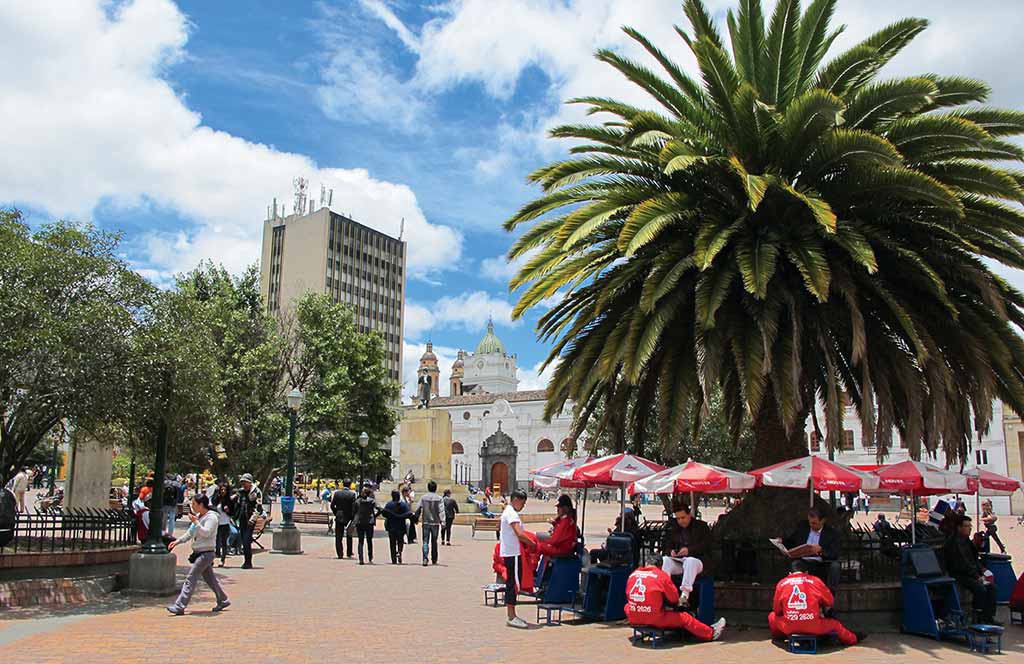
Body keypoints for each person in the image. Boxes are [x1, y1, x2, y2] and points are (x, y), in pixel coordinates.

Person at [625, 560, 726, 641]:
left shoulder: (633, 574)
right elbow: (674, 599)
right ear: (660, 566)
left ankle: (646, 626)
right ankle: (711, 633)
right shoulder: (661, 576)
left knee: (627, 606)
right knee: (685, 618)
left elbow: (628, 595)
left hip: (633, 616)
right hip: (654, 618)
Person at [166, 494, 230, 615]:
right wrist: (177, 541)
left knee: (191, 577)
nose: (193, 507)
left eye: (194, 504)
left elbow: (206, 533)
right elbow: (190, 533)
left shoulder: (211, 518)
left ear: (201, 505)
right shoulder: (199, 517)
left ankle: (180, 605)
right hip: (199, 552)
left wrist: (196, 523)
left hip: (207, 553)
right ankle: (223, 599)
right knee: (211, 579)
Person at [768, 571, 861, 646]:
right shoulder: (815, 580)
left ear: (790, 573)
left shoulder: (782, 583)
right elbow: (830, 601)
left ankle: (780, 637)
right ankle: (852, 640)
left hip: (789, 627)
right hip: (814, 626)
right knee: (835, 625)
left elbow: (777, 610)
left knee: (772, 616)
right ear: (806, 572)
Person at [943, 515, 999, 624]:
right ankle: (977, 616)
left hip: (971, 572)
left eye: (970, 526)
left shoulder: (966, 541)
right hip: (959, 573)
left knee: (992, 587)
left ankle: (988, 617)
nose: (969, 528)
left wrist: (982, 570)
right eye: (966, 526)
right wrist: (977, 576)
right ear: (959, 527)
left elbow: (974, 559)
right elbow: (962, 564)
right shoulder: (954, 543)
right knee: (980, 589)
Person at [661, 504, 711, 608]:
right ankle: (665, 592)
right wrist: (671, 552)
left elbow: (707, 545)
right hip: (680, 561)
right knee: (666, 560)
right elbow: (666, 546)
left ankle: (684, 595)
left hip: (698, 561)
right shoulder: (674, 528)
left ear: (689, 515)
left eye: (683, 517)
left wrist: (689, 550)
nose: (681, 521)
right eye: (678, 518)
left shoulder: (702, 526)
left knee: (690, 561)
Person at [783, 507, 841, 593]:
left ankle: (829, 595)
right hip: (805, 562)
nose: (812, 525)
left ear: (823, 521)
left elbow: (834, 553)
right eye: (810, 523)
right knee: (795, 565)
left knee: (835, 566)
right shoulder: (803, 528)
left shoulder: (831, 533)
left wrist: (821, 551)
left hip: (823, 562)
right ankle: (798, 591)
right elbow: (791, 542)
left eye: (814, 523)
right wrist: (782, 543)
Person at [500, 489, 535, 628]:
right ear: (516, 500)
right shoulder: (511, 513)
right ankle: (511, 616)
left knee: (513, 582)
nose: (523, 506)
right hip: (512, 553)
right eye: (523, 503)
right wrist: (532, 543)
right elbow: (519, 533)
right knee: (513, 584)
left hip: (511, 551)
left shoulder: (509, 512)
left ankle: (512, 614)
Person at [232, 473, 263, 569]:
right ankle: (246, 561)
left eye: (245, 482)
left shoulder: (256, 492)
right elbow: (235, 502)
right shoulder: (240, 492)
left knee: (246, 540)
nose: (243, 484)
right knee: (243, 539)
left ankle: (248, 561)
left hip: (250, 519)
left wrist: (253, 519)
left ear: (250, 482)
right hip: (241, 518)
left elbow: (258, 508)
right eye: (242, 482)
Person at [416, 480, 445, 566]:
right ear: (436, 488)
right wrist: (443, 522)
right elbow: (441, 511)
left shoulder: (423, 498)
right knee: (434, 541)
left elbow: (418, 508)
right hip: (435, 523)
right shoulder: (439, 498)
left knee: (425, 541)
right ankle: (434, 558)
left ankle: (425, 558)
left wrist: (416, 518)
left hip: (426, 521)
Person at [382, 490, 413, 564]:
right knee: (400, 540)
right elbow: (408, 513)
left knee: (392, 543)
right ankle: (399, 552)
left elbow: (384, 514)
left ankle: (393, 559)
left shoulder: (389, 504)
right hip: (401, 526)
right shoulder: (403, 505)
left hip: (391, 526)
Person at [330, 479, 357, 559]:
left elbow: (332, 506)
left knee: (338, 536)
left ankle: (340, 553)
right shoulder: (352, 494)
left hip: (339, 516)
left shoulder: (337, 493)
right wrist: (352, 516)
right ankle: (349, 552)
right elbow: (353, 507)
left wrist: (336, 512)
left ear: (343, 484)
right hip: (349, 517)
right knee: (349, 535)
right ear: (350, 484)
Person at [354, 486, 379, 564]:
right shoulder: (372, 501)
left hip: (360, 522)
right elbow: (380, 509)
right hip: (369, 522)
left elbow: (354, 511)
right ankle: (370, 557)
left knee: (360, 541)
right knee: (369, 540)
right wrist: (375, 516)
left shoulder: (357, 501)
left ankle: (361, 558)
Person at [211, 482, 233, 567]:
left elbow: (232, 512)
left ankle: (222, 559)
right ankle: (212, 559)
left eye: (225, 490)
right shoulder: (216, 499)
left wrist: (228, 511)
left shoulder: (229, 501)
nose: (223, 491)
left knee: (223, 542)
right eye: (222, 490)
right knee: (214, 542)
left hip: (225, 523)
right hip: (216, 523)